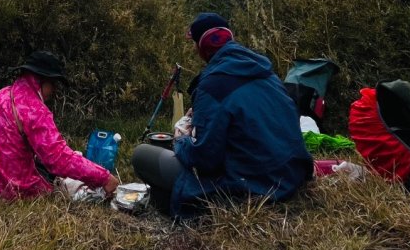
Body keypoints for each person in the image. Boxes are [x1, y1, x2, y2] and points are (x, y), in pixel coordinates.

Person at [132, 13, 313, 218]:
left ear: (203, 47)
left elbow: (206, 159)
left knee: (142, 155)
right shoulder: (266, 73)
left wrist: (181, 139)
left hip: (253, 188)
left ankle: (165, 210)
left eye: (194, 44)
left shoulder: (212, 84)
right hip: (291, 177)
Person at [0, 50, 120, 202]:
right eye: (53, 84)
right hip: (1, 194)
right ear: (41, 81)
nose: (54, 90)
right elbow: (59, 159)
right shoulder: (33, 109)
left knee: (43, 165)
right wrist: (104, 177)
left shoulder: (3, 94)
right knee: (62, 179)